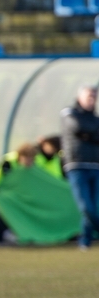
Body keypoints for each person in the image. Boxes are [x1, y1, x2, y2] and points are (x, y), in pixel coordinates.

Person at [60, 85, 99, 249]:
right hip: (77, 165)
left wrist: (88, 135)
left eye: (94, 96)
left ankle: (85, 240)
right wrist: (92, 133)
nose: (92, 99)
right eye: (89, 96)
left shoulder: (95, 118)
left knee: (95, 205)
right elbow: (76, 127)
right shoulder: (69, 113)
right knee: (86, 206)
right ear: (80, 96)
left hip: (96, 165)